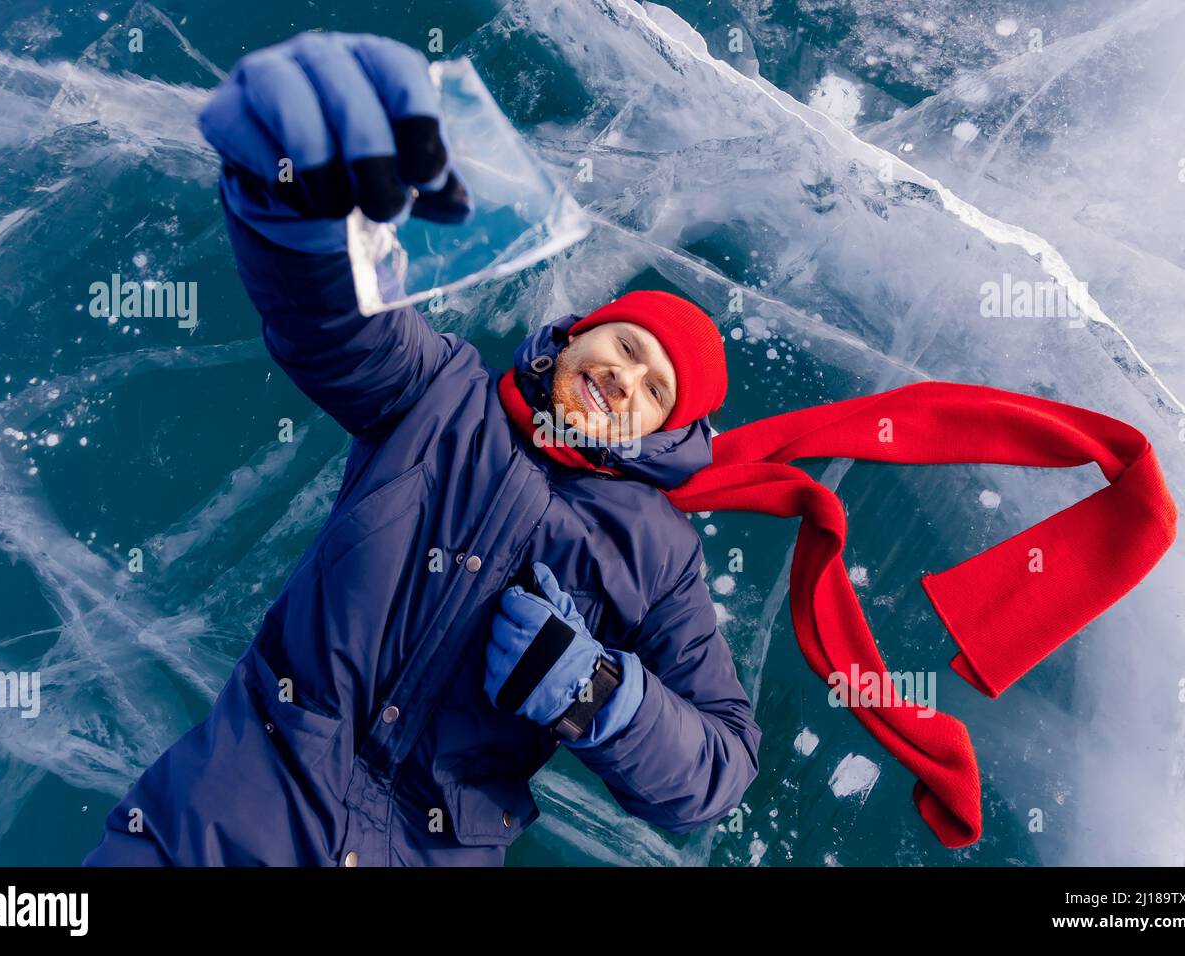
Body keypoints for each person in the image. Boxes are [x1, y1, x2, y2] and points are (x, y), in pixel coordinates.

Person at [82, 30, 762, 867]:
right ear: (579, 336)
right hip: (240, 805)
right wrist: (291, 199)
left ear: (662, 432)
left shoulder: (661, 556)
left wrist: (598, 695)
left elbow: (721, 771)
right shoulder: (438, 395)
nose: (625, 381)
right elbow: (331, 323)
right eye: (625, 348)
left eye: (654, 389)